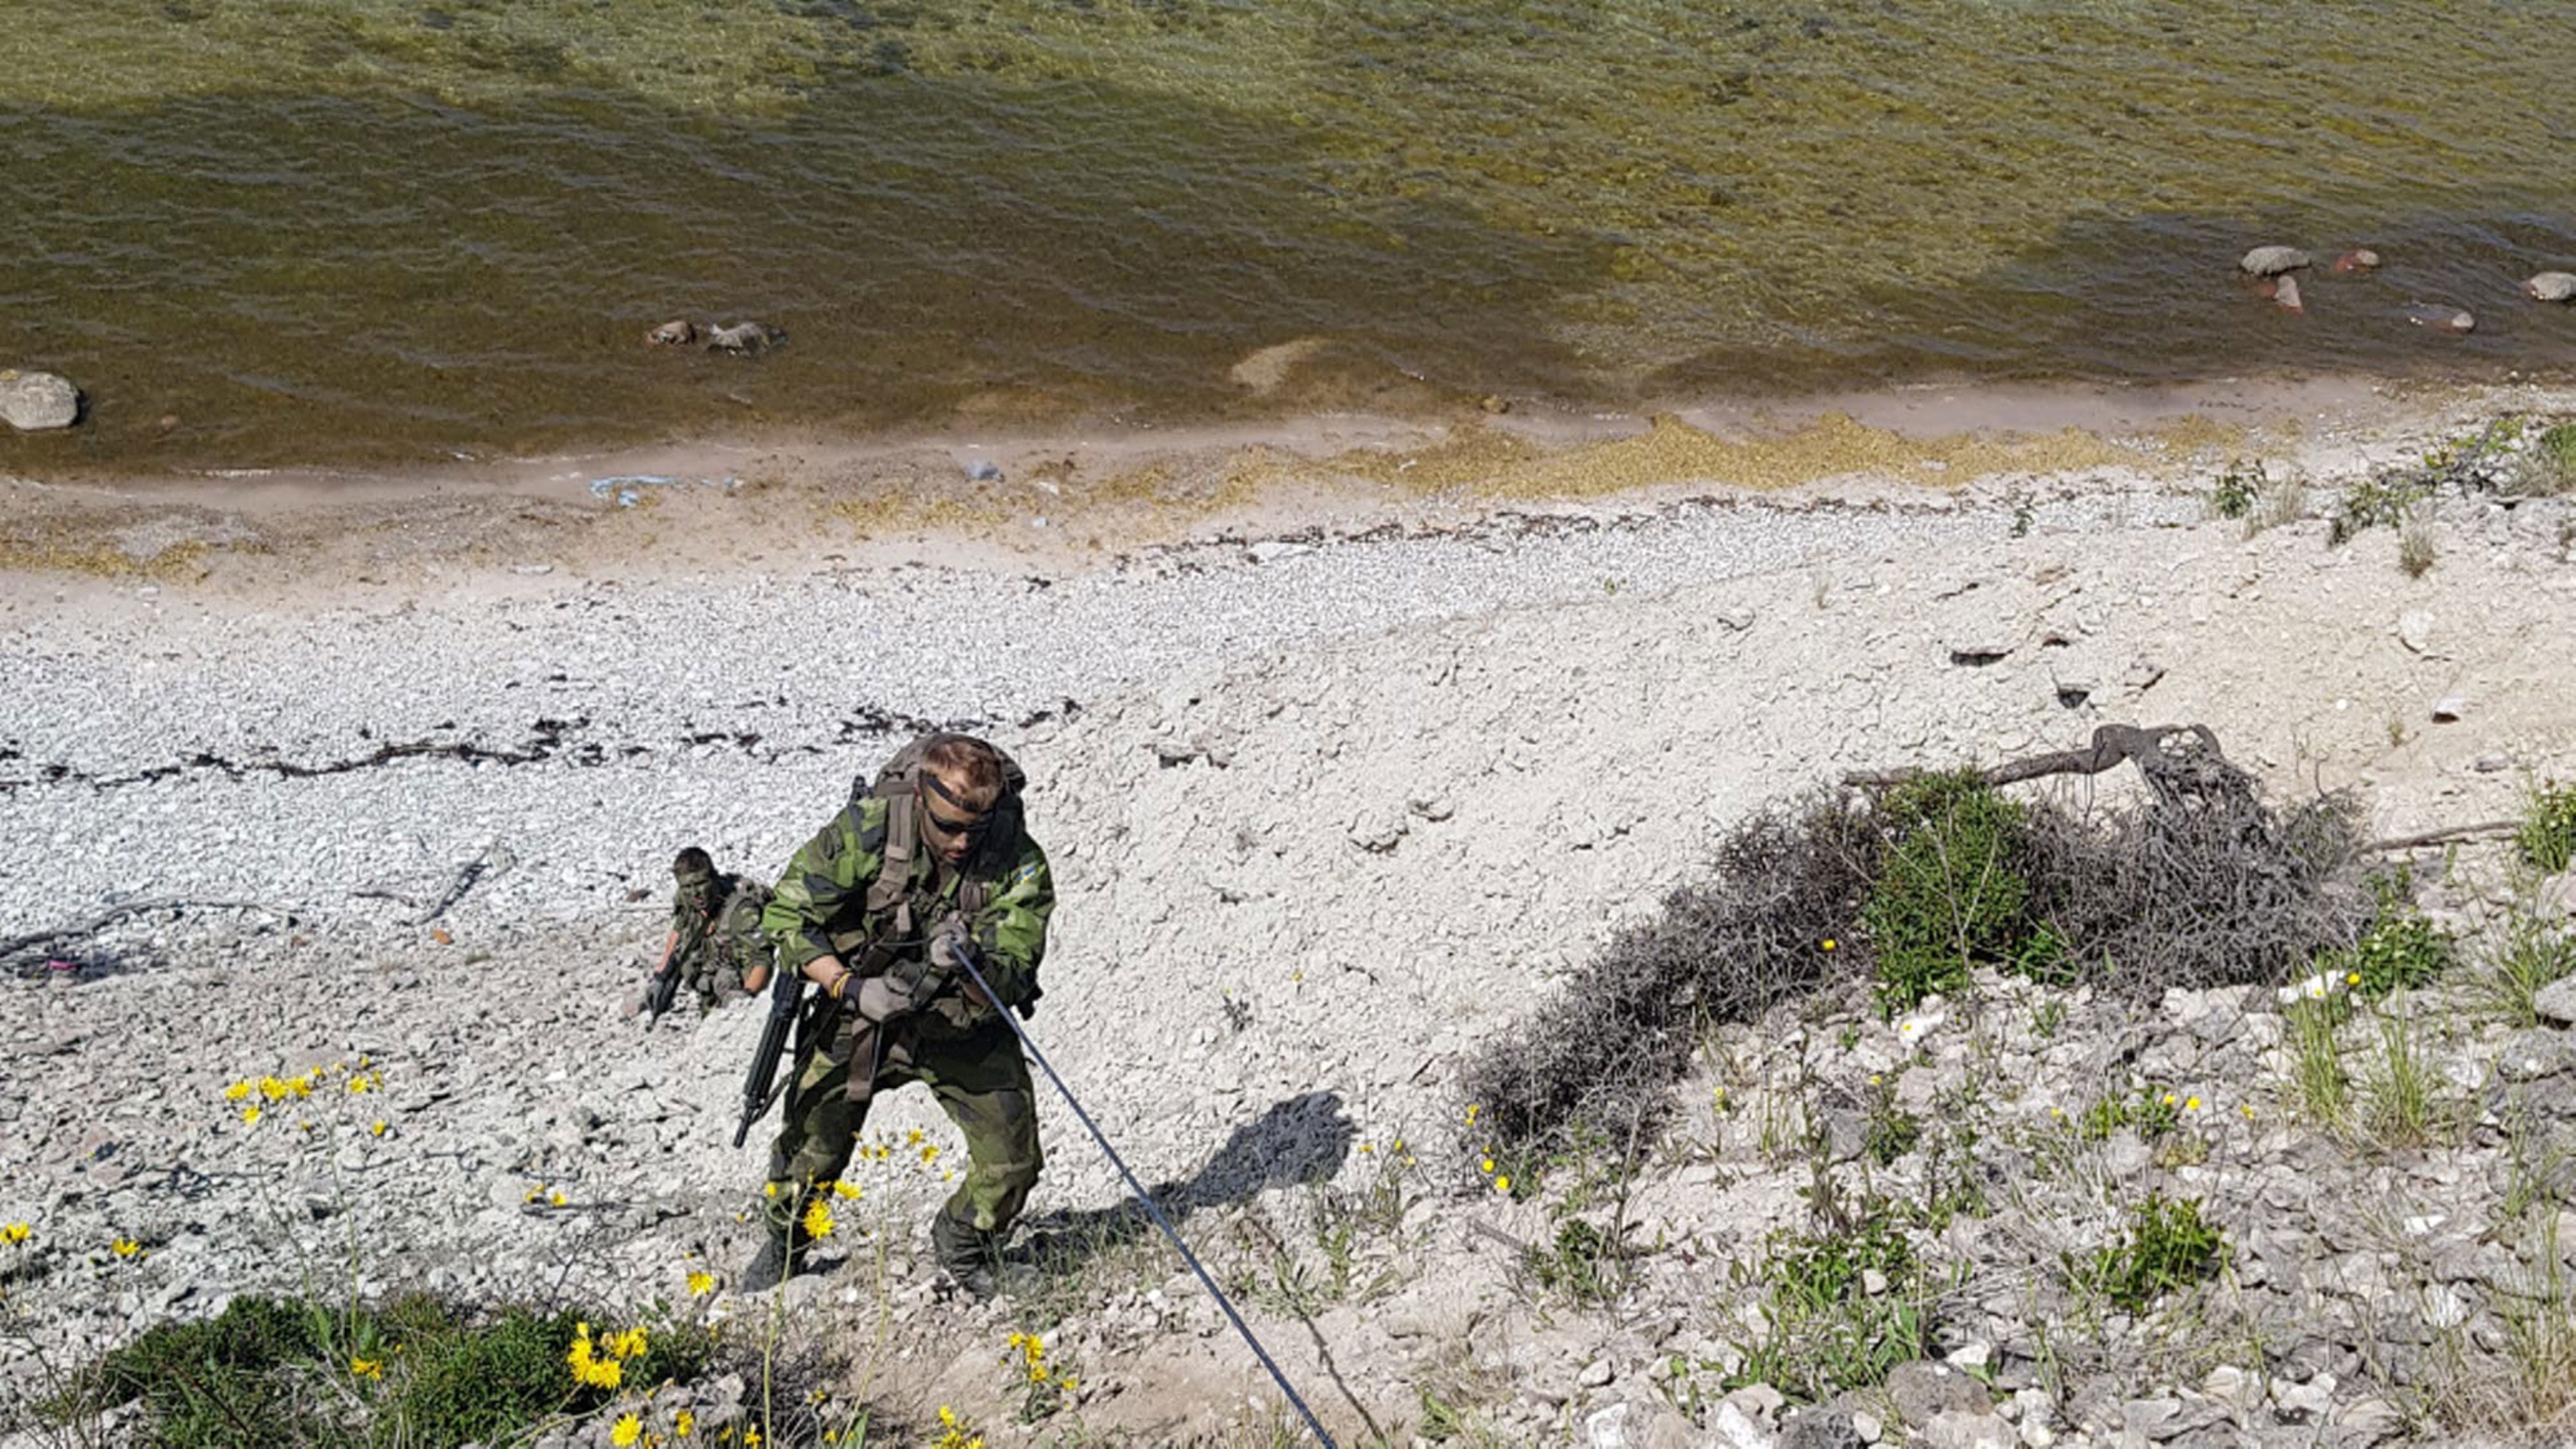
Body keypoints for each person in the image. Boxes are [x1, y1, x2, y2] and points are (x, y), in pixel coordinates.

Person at [743, 734, 1055, 1298]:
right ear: (920, 800)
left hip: (958, 1023)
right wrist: (847, 985)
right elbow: (787, 914)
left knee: (1013, 1160)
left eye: (974, 830)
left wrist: (974, 959)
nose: (961, 843)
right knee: (808, 1153)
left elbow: (1016, 966)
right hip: (858, 1016)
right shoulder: (872, 828)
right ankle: (785, 1247)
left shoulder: (1018, 860)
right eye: (949, 827)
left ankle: (966, 1245)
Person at [630, 847, 775, 1020]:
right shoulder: (687, 898)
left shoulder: (741, 912)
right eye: (688, 886)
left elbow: (762, 960)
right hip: (710, 988)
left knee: (726, 977)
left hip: (742, 989)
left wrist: (746, 999)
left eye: (700, 884)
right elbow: (680, 929)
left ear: (713, 878)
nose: (695, 893)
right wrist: (661, 976)